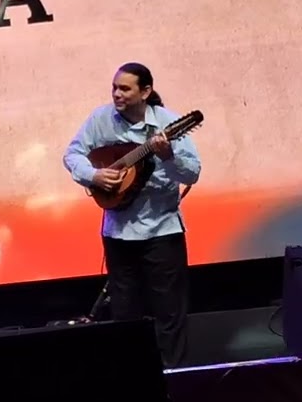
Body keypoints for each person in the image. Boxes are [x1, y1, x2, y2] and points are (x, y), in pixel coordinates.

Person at [62, 63, 201, 367]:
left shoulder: (166, 123)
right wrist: (94, 175)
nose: (117, 94)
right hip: (118, 233)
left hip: (162, 231)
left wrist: (168, 155)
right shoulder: (101, 119)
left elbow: (192, 173)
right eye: (114, 87)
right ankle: (134, 378)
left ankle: (175, 377)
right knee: (125, 313)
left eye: (125, 88)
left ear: (146, 92)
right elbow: (71, 154)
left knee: (169, 312)